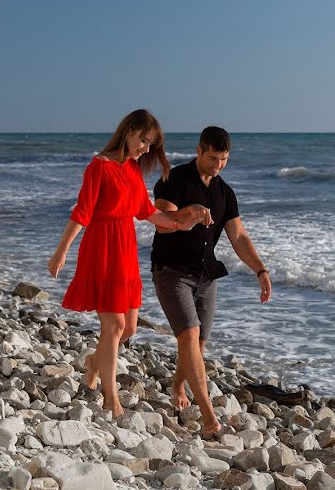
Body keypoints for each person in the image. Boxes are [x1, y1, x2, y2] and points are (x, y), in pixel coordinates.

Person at [48, 109, 212, 418]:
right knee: (114, 325)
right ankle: (111, 398)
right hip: (102, 248)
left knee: (129, 328)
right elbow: (82, 212)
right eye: (144, 141)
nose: (146, 149)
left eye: (151, 145)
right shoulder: (99, 167)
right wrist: (61, 251)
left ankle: (96, 362)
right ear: (128, 132)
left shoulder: (133, 170)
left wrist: (183, 222)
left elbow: (147, 211)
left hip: (125, 250)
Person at [151, 126, 272, 436]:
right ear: (199, 150)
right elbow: (165, 223)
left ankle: (178, 383)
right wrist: (189, 214)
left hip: (206, 275)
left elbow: (239, 236)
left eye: (225, 159)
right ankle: (207, 416)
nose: (218, 165)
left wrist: (261, 270)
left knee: (199, 342)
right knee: (189, 336)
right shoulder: (172, 179)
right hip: (171, 271)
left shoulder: (225, 193)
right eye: (213, 158)